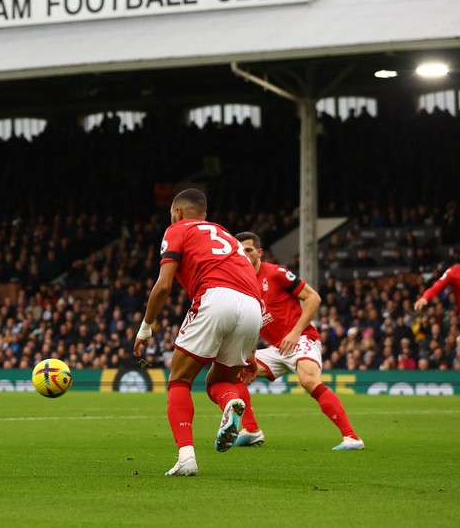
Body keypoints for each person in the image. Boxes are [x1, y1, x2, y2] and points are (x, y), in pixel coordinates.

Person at [133, 188, 262, 477]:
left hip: (215, 298)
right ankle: (231, 402)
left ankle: (186, 456)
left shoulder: (176, 230)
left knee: (179, 379)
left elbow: (163, 285)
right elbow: (248, 282)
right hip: (253, 307)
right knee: (219, 382)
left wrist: (145, 327)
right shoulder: (227, 235)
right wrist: (251, 350)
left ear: (178, 211)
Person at [233, 232, 364, 451]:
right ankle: (251, 430)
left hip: (302, 338)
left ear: (259, 252)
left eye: (249, 250)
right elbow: (250, 323)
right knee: (233, 370)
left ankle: (351, 438)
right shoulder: (241, 284)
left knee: (309, 381)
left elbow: (313, 298)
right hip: (277, 348)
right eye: (241, 250)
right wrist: (251, 353)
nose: (245, 255)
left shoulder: (276, 273)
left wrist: (295, 332)